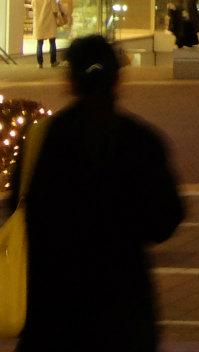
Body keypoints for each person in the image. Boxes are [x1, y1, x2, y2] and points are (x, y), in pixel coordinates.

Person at [8, 35, 185, 351]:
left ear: (69, 81)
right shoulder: (140, 141)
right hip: (124, 313)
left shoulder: (42, 142)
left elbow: (17, 210)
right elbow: (165, 220)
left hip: (54, 315)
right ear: (119, 80)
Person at [30, 0, 64, 69]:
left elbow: (33, 8)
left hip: (38, 23)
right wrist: (58, 19)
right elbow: (55, 10)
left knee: (39, 43)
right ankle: (53, 62)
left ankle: (40, 63)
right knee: (52, 42)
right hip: (50, 22)